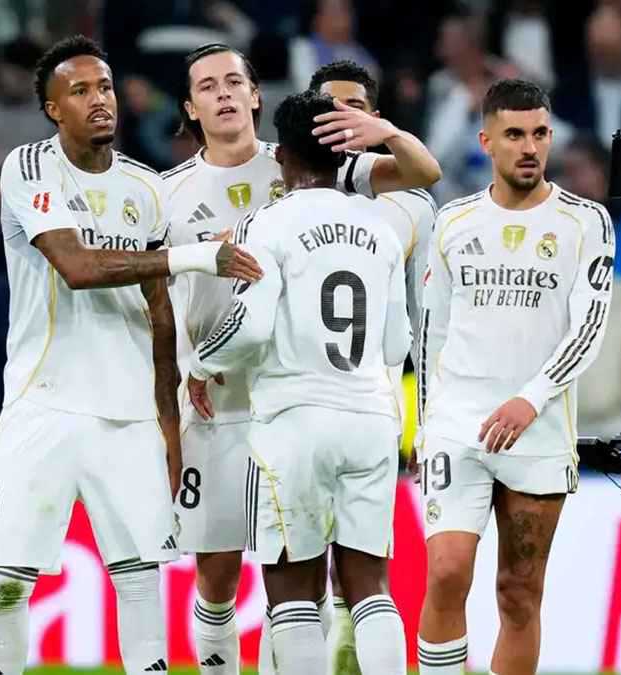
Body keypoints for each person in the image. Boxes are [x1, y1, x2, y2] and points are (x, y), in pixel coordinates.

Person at [0, 35, 262, 675]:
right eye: (79, 91)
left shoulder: (145, 187)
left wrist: (169, 426)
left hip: (130, 415)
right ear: (53, 109)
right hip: (43, 406)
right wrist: (194, 255)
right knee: (11, 579)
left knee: (138, 579)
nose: (98, 99)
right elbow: (76, 267)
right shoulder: (30, 167)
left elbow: (160, 314)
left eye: (104, 86)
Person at [160, 43, 439, 675]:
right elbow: (397, 343)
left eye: (235, 81)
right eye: (208, 85)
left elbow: (250, 326)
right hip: (366, 415)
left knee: (290, 594)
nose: (224, 94)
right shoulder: (379, 226)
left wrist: (200, 363)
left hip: (284, 413)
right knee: (368, 587)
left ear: (281, 153)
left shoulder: (271, 220)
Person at [416, 79, 615, 675]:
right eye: (514, 134)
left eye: (540, 133)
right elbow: (431, 334)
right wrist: (425, 424)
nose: (529, 147)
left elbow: (589, 327)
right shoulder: (452, 221)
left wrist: (530, 399)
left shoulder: (586, 222)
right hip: (458, 425)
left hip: (539, 430)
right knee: (446, 572)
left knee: (519, 593)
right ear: (486, 142)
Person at [308, 58, 439, 675]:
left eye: (354, 107)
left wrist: (425, 421)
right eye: (328, 108)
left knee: (360, 569)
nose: (341, 119)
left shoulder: (412, 206)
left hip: (373, 399)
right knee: (297, 570)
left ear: (377, 117)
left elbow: (426, 323)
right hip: (291, 396)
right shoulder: (282, 187)